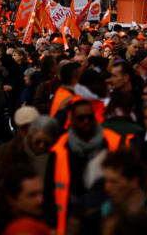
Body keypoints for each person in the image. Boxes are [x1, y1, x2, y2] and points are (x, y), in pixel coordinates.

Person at [43, 98, 122, 235]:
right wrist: (52, 225)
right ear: (71, 120)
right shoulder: (59, 150)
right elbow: (49, 192)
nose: (86, 121)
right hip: (72, 221)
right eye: (80, 118)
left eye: (90, 117)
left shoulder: (113, 142)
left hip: (107, 219)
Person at [99, 148, 147, 234]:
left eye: (114, 182)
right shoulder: (104, 211)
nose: (107, 188)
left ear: (133, 181)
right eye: (106, 181)